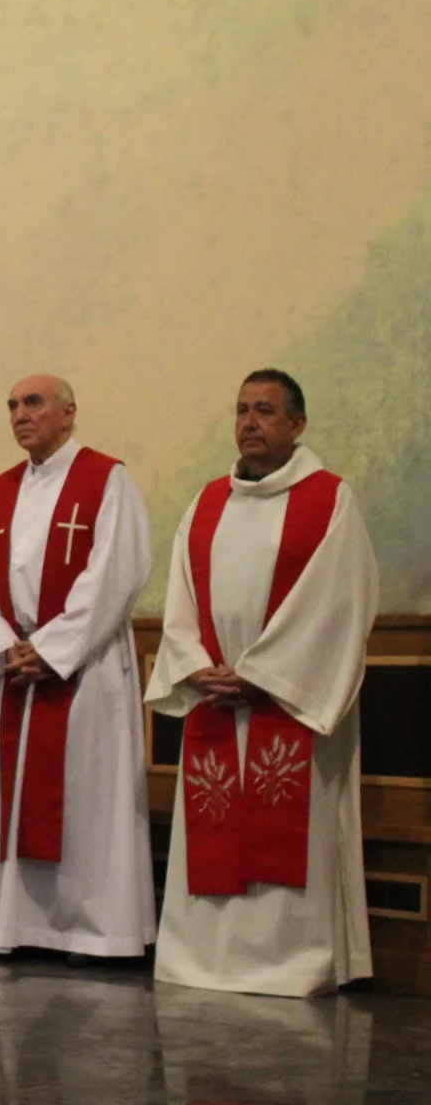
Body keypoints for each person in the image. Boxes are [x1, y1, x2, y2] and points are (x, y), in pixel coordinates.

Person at [146, 370, 378, 995]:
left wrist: (261, 675)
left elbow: (339, 603)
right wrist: (194, 663)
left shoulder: (330, 501)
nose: (249, 422)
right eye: (242, 410)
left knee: (293, 837)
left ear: (297, 425)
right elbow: (180, 596)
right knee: (214, 829)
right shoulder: (206, 504)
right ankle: (202, 959)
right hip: (217, 699)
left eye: (266, 411)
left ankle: (292, 964)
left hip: (289, 700)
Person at [0, 375, 155, 960]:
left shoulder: (106, 479)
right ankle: (20, 927)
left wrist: (52, 648)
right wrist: (7, 646)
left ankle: (95, 933)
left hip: (85, 668)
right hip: (17, 672)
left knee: (88, 800)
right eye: (13, 405)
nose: (20, 414)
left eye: (33, 403)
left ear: (69, 412)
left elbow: (118, 571)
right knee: (17, 801)